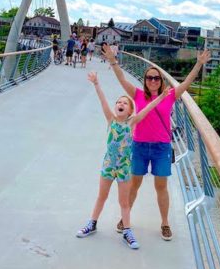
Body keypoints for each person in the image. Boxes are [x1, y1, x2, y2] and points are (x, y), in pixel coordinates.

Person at [102, 44, 211, 241]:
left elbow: (186, 83)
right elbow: (121, 78)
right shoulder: (137, 95)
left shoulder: (169, 95)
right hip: (139, 146)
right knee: (134, 185)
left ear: (161, 81)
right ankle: (124, 219)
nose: (153, 80)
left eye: (156, 78)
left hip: (161, 148)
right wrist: (112, 60)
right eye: (149, 78)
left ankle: (165, 223)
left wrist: (199, 64)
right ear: (145, 81)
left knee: (161, 186)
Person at [76, 72, 171, 249]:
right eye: (118, 102)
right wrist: (96, 84)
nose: (120, 104)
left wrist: (161, 97)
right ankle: (92, 223)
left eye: (125, 103)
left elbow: (148, 108)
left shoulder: (132, 122)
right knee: (101, 196)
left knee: (124, 202)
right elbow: (103, 100)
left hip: (124, 168)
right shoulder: (111, 119)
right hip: (108, 165)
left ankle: (127, 231)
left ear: (130, 110)